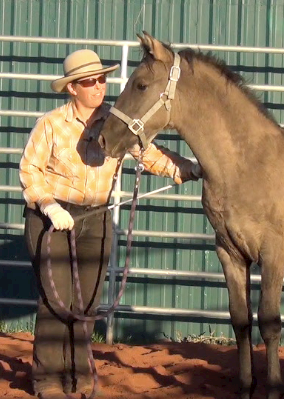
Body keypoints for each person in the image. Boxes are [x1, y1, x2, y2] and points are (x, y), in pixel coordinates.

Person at [19, 49, 201, 399]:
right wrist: (49, 205)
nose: (99, 86)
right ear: (73, 88)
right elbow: (29, 171)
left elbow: (149, 153)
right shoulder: (51, 124)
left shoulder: (116, 123)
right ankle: (47, 380)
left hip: (96, 218)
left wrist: (184, 168)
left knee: (86, 304)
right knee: (56, 303)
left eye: (102, 79)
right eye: (90, 81)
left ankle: (80, 376)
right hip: (52, 219)